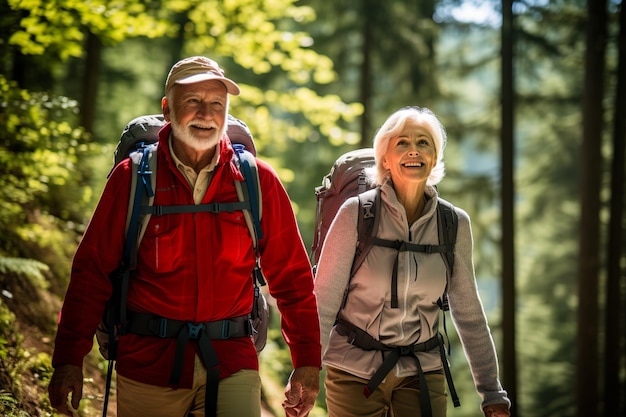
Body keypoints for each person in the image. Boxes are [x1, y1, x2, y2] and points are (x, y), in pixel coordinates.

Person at [48, 56, 321, 417]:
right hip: (147, 364)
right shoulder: (132, 179)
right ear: (167, 108)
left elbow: (293, 278)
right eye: (192, 101)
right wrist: (69, 358)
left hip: (232, 363)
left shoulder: (257, 181)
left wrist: (307, 361)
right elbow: (91, 272)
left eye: (216, 104)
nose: (206, 113)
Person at [314, 106, 511, 417]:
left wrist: (491, 390)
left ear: (434, 157)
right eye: (402, 143)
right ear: (385, 158)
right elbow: (323, 304)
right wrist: (307, 371)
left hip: (423, 371)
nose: (413, 151)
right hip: (353, 369)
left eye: (423, 143)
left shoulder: (453, 223)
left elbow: (469, 313)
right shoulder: (356, 214)